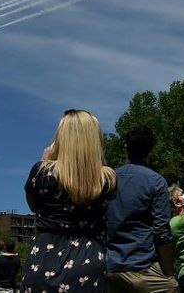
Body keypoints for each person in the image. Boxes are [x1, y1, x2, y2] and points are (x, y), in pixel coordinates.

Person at [21, 109, 117, 293]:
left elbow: (34, 207)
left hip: (42, 260)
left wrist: (45, 161)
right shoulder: (107, 179)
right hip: (88, 261)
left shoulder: (42, 172)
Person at [106, 124, 178, 293]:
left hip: (109, 267)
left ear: (126, 147)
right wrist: (169, 274)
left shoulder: (109, 179)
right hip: (141, 266)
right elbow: (161, 232)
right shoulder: (156, 182)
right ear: (150, 149)